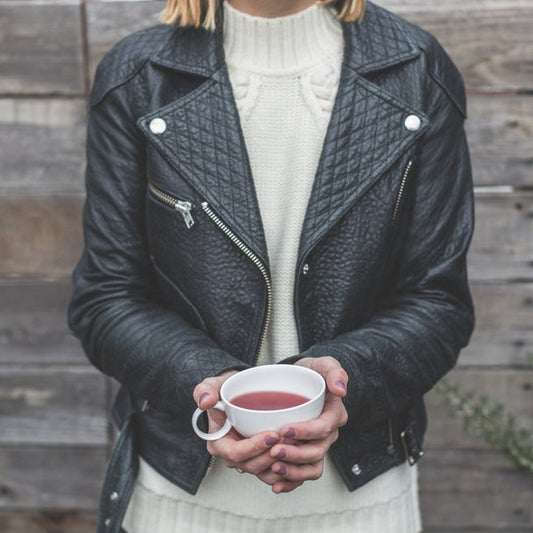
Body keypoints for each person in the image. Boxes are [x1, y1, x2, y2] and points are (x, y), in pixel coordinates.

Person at [68, 0, 475, 531]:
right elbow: (106, 298)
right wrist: (210, 384)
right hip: (179, 499)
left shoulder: (417, 68)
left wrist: (344, 374)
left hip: (363, 502)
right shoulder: (139, 76)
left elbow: (438, 301)